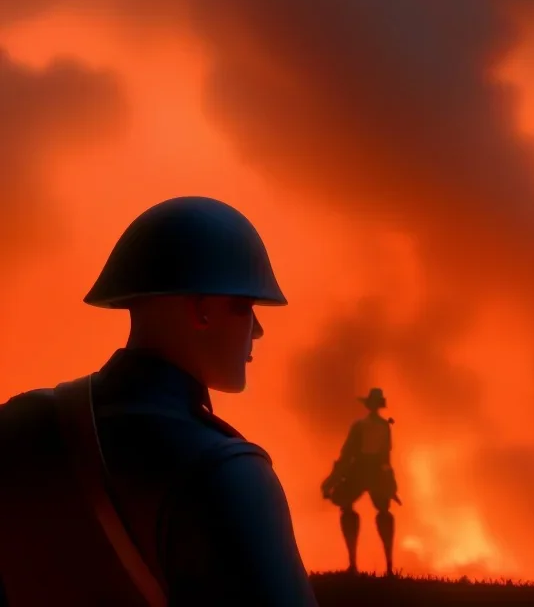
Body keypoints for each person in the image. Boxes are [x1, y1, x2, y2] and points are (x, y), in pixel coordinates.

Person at [0, 196, 318, 606]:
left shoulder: (20, 424)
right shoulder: (229, 472)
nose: (257, 331)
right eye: (244, 307)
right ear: (201, 311)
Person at [321, 387, 400, 576]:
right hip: (373, 471)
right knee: (378, 510)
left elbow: (348, 453)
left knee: (354, 508)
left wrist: (333, 479)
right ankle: (378, 565)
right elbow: (384, 457)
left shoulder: (364, 426)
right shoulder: (382, 426)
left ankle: (364, 564)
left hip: (363, 469)